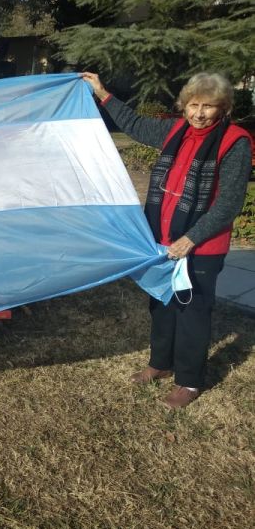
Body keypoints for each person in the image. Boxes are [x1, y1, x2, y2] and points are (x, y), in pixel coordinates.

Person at [81, 71, 252, 409]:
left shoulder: (235, 141)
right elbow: (134, 125)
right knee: (161, 303)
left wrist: (191, 238)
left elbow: (229, 203)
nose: (199, 113)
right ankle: (160, 363)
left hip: (200, 246)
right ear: (184, 105)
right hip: (161, 240)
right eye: (193, 105)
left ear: (223, 108)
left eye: (208, 107)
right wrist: (101, 92)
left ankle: (188, 381)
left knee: (192, 310)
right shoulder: (176, 130)